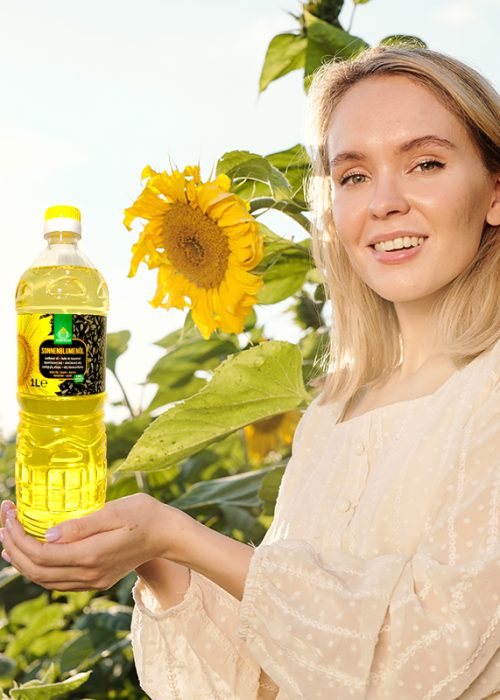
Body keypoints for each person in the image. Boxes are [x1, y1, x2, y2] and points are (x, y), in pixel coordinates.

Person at [1, 45, 499, 699]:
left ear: (494, 192)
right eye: (352, 176)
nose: (384, 202)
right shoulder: (330, 414)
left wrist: (180, 533)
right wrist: (151, 555)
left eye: (425, 163)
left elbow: (419, 659)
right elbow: (273, 673)